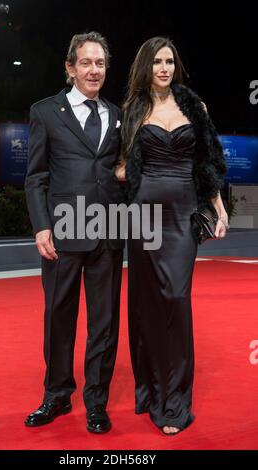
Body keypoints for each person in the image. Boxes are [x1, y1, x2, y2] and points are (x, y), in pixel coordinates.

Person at [117, 36, 228, 435]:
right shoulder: (133, 109)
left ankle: (176, 401)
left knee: (176, 301)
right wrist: (122, 173)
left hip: (181, 217)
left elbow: (208, 162)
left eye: (169, 61)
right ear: (145, 66)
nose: (164, 68)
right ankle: (151, 391)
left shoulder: (194, 107)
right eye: (157, 62)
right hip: (143, 217)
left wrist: (218, 207)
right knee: (148, 305)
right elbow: (123, 165)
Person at [24, 32, 124, 433]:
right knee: (59, 317)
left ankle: (96, 401)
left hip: (109, 232)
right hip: (63, 231)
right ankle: (57, 395)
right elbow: (36, 177)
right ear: (70, 68)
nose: (93, 70)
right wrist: (42, 226)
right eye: (86, 62)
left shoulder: (117, 115)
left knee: (104, 322)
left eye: (100, 63)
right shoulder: (46, 112)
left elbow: (119, 171)